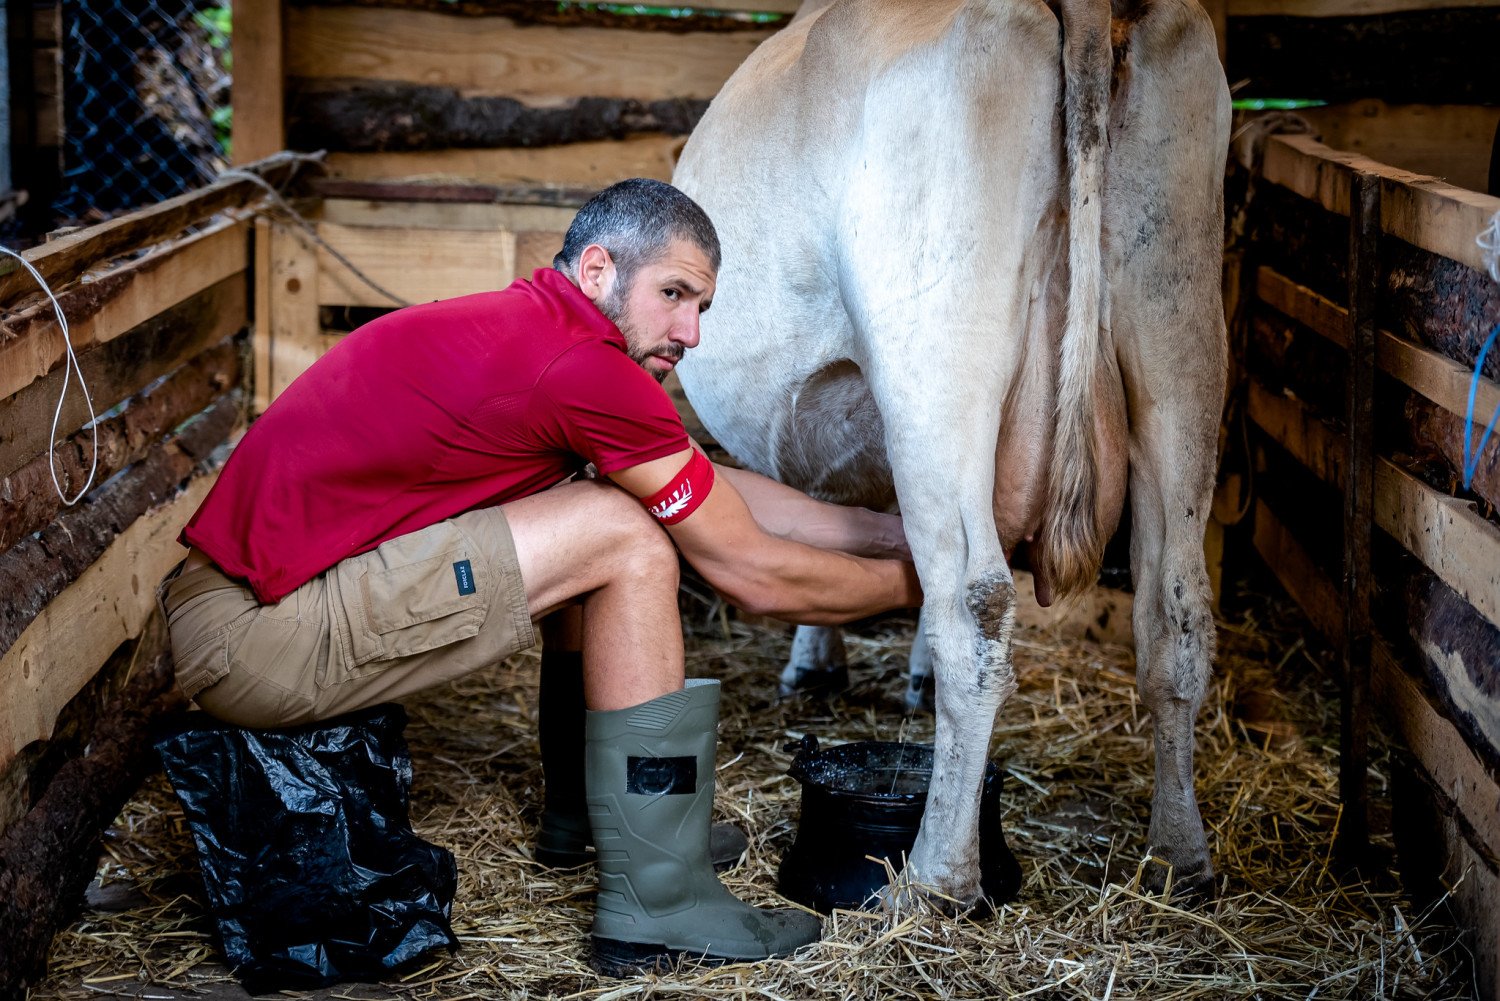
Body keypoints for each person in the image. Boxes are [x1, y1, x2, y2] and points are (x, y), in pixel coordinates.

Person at [159, 178, 922, 975]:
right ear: (597, 270)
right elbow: (755, 574)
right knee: (625, 535)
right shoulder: (579, 366)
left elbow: (712, 489)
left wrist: (894, 536)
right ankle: (659, 904)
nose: (691, 330)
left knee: (590, 509)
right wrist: (927, 587)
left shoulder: (541, 333)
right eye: (673, 294)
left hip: (249, 607)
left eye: (702, 306)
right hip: (256, 634)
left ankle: (588, 814)